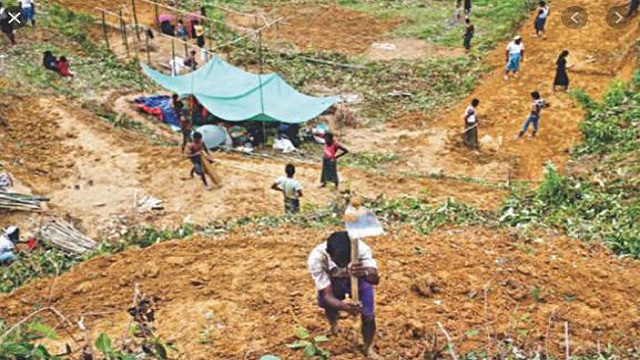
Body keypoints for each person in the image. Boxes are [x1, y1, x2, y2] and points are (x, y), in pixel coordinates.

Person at [308, 231, 380, 358]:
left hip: (360, 278)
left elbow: (375, 280)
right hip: (333, 280)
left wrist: (365, 271)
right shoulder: (317, 258)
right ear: (329, 253)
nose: (343, 265)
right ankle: (333, 325)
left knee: (368, 316)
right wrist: (345, 307)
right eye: (339, 261)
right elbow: (327, 296)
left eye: (346, 260)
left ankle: (368, 347)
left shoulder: (361, 249)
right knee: (329, 305)